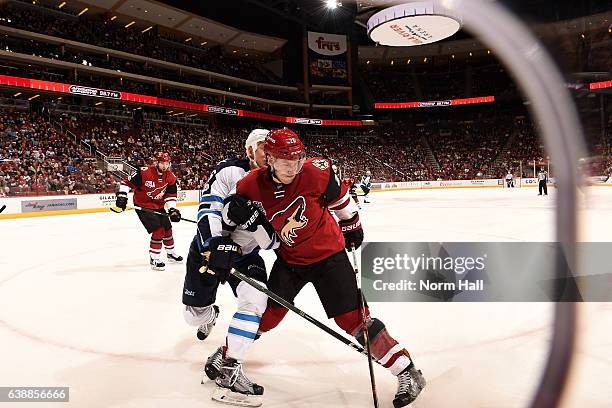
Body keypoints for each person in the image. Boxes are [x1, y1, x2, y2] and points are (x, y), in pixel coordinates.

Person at [218, 128, 425, 408]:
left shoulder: (316, 172)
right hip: (290, 261)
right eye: (285, 161)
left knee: (354, 321)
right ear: (268, 159)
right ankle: (228, 354)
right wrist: (226, 231)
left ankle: (406, 371)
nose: (294, 167)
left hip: (330, 258)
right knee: (266, 315)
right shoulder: (251, 184)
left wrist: (352, 225)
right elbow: (229, 209)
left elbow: (341, 201)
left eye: (297, 159)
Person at [182, 129, 277, 403]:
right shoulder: (228, 171)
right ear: (249, 151)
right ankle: (208, 316)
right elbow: (208, 210)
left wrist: (254, 225)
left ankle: (230, 373)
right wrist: (213, 244)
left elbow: (273, 242)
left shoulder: (280, 182)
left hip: (246, 256)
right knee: (193, 317)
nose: (269, 154)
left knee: (256, 301)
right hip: (209, 251)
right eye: (263, 148)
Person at [115, 152, 183, 271]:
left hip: (158, 205)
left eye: (167, 163)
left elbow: (171, 194)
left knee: (168, 229)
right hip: (143, 205)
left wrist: (172, 209)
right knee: (158, 230)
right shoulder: (144, 172)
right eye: (162, 163)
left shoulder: (170, 177)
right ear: (157, 162)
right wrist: (122, 196)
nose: (165, 166)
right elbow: (126, 183)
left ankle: (170, 253)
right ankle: (154, 258)